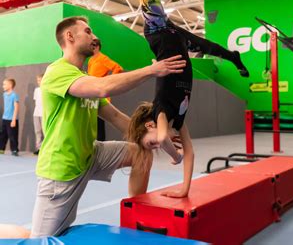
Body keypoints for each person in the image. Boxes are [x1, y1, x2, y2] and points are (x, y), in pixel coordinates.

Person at [111, 0, 249, 197]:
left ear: (150, 126)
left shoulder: (162, 110)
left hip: (158, 29)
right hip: (177, 37)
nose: (157, 146)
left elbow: (164, 139)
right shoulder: (179, 119)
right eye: (154, 148)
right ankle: (235, 58)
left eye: (149, 143)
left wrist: (172, 155)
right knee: (209, 48)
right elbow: (192, 151)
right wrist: (183, 190)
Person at [29, 16, 186, 237]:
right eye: (88, 31)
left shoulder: (82, 75)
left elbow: (112, 114)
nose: (94, 37)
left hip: (91, 154)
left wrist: (145, 135)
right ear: (70, 36)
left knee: (140, 152)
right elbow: (103, 88)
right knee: (39, 240)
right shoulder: (57, 71)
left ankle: (136, 218)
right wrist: (151, 71)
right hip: (61, 170)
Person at [88, 38, 123, 141]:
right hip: (92, 93)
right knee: (93, 122)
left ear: (97, 47)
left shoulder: (103, 58)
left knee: (99, 122)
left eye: (92, 46)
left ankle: (100, 144)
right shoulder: (91, 60)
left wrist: (108, 80)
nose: (90, 48)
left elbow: (118, 68)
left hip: (100, 94)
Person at [0, 78, 19, 156]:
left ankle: (14, 149)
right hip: (5, 118)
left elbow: (16, 107)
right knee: (3, 134)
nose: (2, 86)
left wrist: (14, 119)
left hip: (12, 119)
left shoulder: (14, 95)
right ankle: (1, 148)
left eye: (4, 84)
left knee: (12, 135)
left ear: (10, 85)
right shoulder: (4, 94)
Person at [33, 74, 44, 155]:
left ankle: (46, 149)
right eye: (38, 80)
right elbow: (35, 101)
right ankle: (39, 148)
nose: (39, 82)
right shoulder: (36, 90)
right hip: (36, 113)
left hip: (44, 114)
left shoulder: (47, 89)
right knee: (37, 131)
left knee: (45, 131)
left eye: (40, 80)